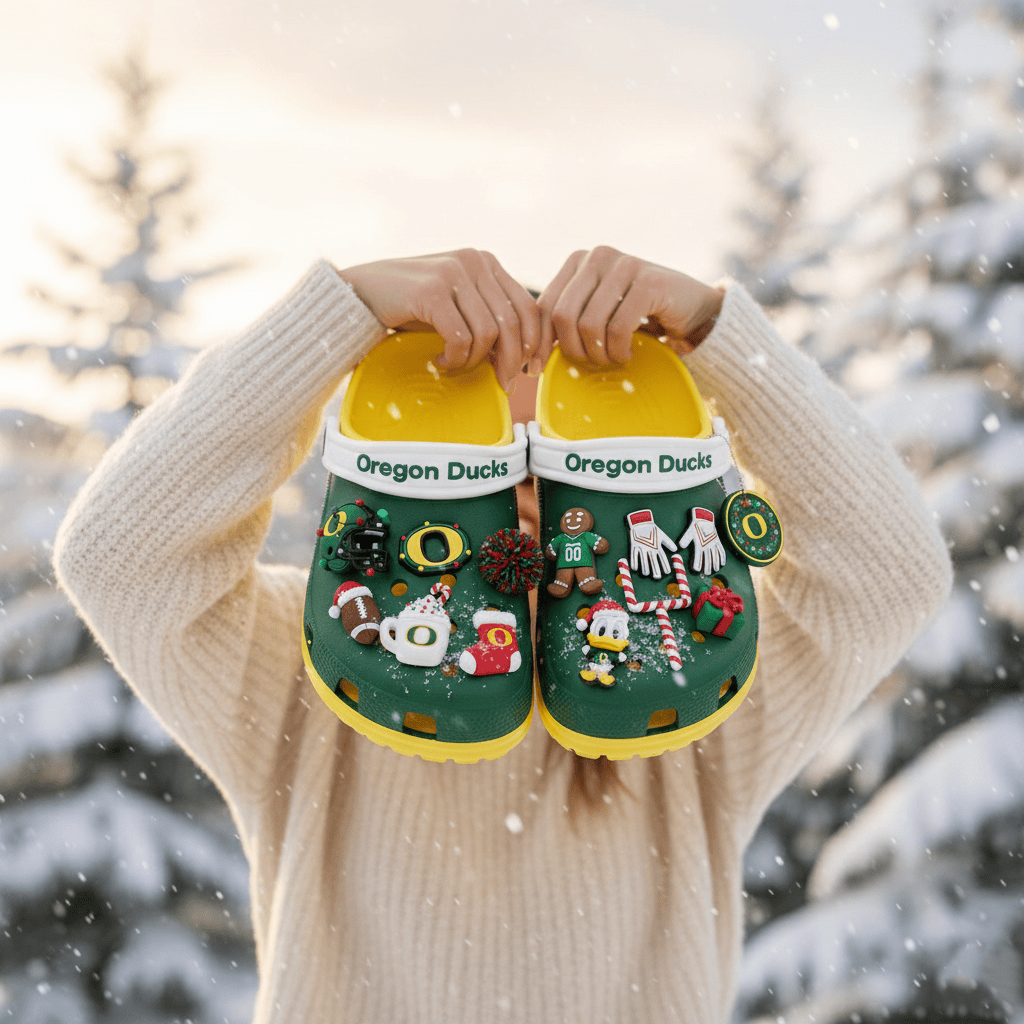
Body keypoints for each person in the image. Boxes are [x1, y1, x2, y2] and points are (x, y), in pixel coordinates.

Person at [53, 245, 952, 1024]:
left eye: (576, 467)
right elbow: (116, 557)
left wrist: (715, 334)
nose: (533, 504)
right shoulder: (316, 657)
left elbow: (892, 574)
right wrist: (340, 314)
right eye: (475, 465)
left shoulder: (687, 694)